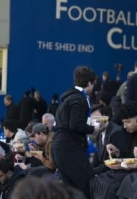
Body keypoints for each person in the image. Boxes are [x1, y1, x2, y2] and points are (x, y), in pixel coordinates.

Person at [51, 66, 100, 198]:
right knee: (90, 184)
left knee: (71, 189)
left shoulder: (68, 98)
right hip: (69, 148)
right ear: (90, 83)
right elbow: (75, 124)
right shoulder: (79, 99)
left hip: (59, 147)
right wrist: (93, 129)